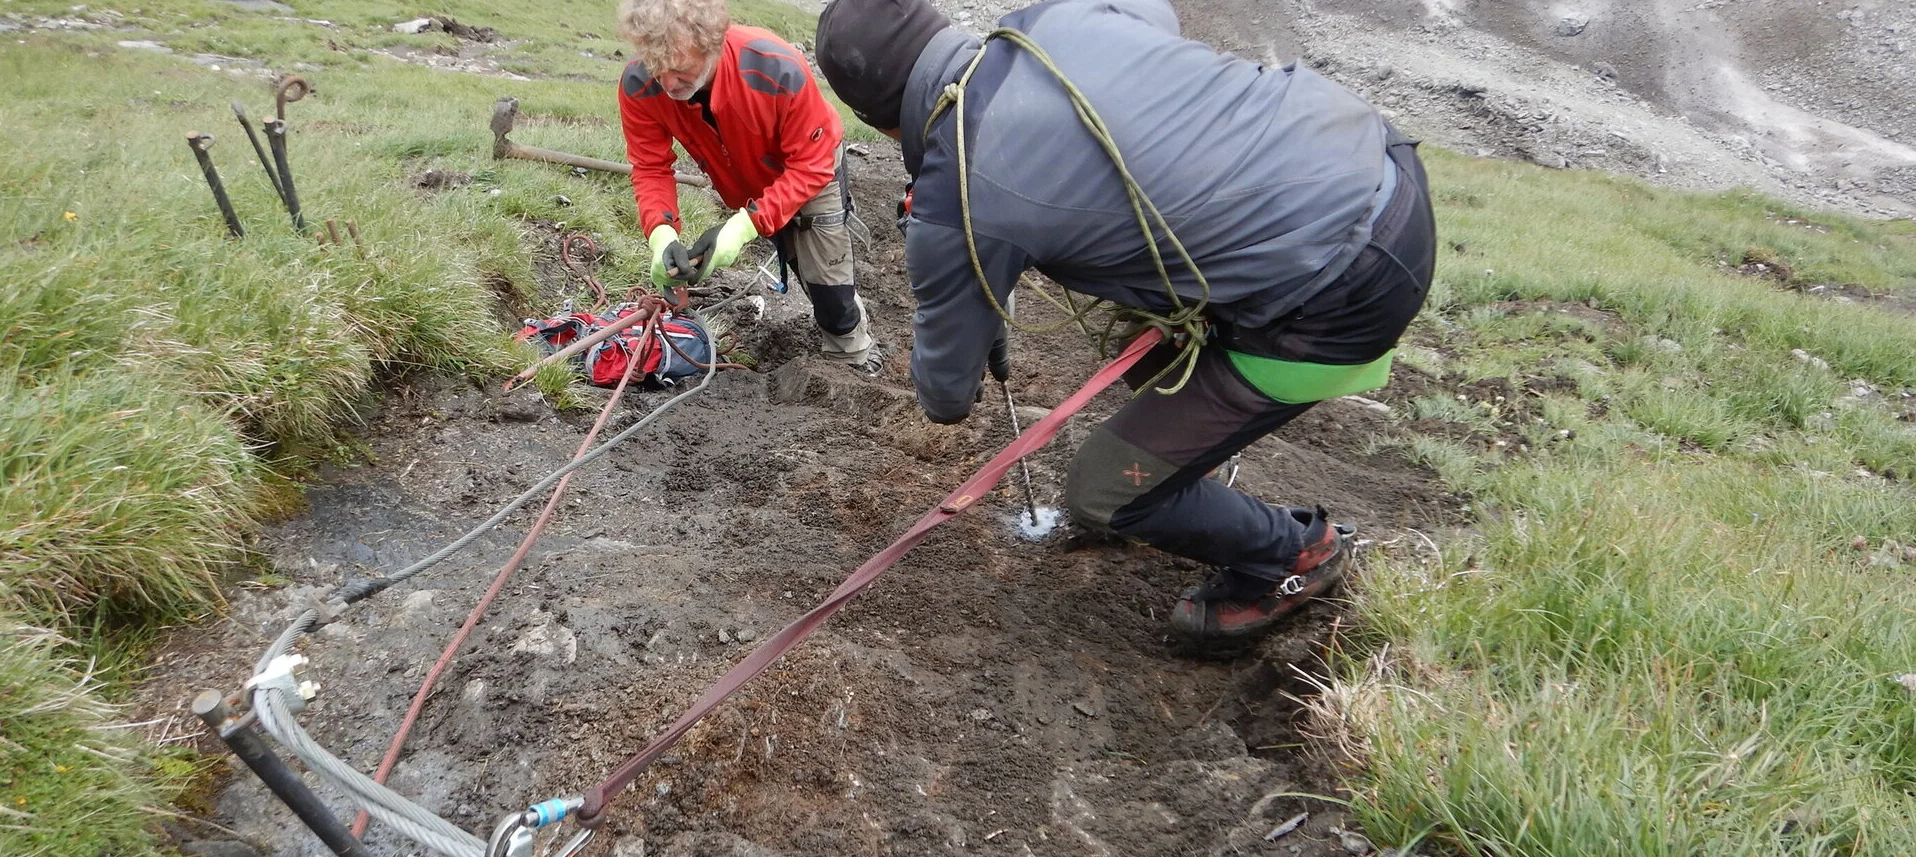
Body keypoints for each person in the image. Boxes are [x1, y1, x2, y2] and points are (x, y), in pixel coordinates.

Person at [814, 0, 1437, 642]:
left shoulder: (954, 201)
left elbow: (946, 397)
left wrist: (964, 288)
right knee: (1136, 323)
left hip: (1347, 285)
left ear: (878, 121)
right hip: (1367, 152)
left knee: (1101, 492)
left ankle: (1295, 553)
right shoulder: (1052, 21)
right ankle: (1182, 466)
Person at [616, 0, 882, 375]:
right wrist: (661, 233)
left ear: (712, 43)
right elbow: (650, 167)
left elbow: (812, 162)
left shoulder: (775, 67)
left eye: (680, 69)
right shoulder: (639, 85)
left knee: (828, 285)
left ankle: (855, 356)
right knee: (801, 264)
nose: (669, 84)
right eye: (658, 70)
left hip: (812, 166)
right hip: (751, 185)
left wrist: (745, 226)